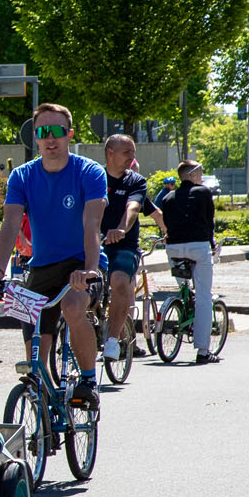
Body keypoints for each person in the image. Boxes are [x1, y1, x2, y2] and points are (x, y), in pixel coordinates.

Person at [0, 103, 106, 406]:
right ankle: (42, 399)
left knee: (74, 307)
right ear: (35, 137)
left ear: (69, 134)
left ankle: (88, 380)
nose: (51, 139)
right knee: (34, 338)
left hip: (82, 262)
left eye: (57, 131)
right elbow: (9, 224)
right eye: (43, 132)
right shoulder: (21, 176)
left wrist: (88, 269)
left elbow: (92, 224)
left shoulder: (89, 172)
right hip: (41, 267)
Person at [156, 159, 220, 363]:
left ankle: (183, 302)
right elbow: (209, 222)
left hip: (173, 248)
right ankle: (203, 350)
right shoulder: (203, 193)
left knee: (185, 286)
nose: (201, 177)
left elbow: (167, 224)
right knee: (204, 297)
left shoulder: (168, 197)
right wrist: (212, 244)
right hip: (198, 247)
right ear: (192, 175)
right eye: (199, 173)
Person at [99, 133, 150, 361]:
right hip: (93, 244)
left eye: (134, 152)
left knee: (119, 282)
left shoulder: (135, 181)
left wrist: (121, 229)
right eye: (127, 151)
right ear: (110, 153)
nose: (132, 156)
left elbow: (133, 207)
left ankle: (112, 341)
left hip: (123, 246)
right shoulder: (93, 177)